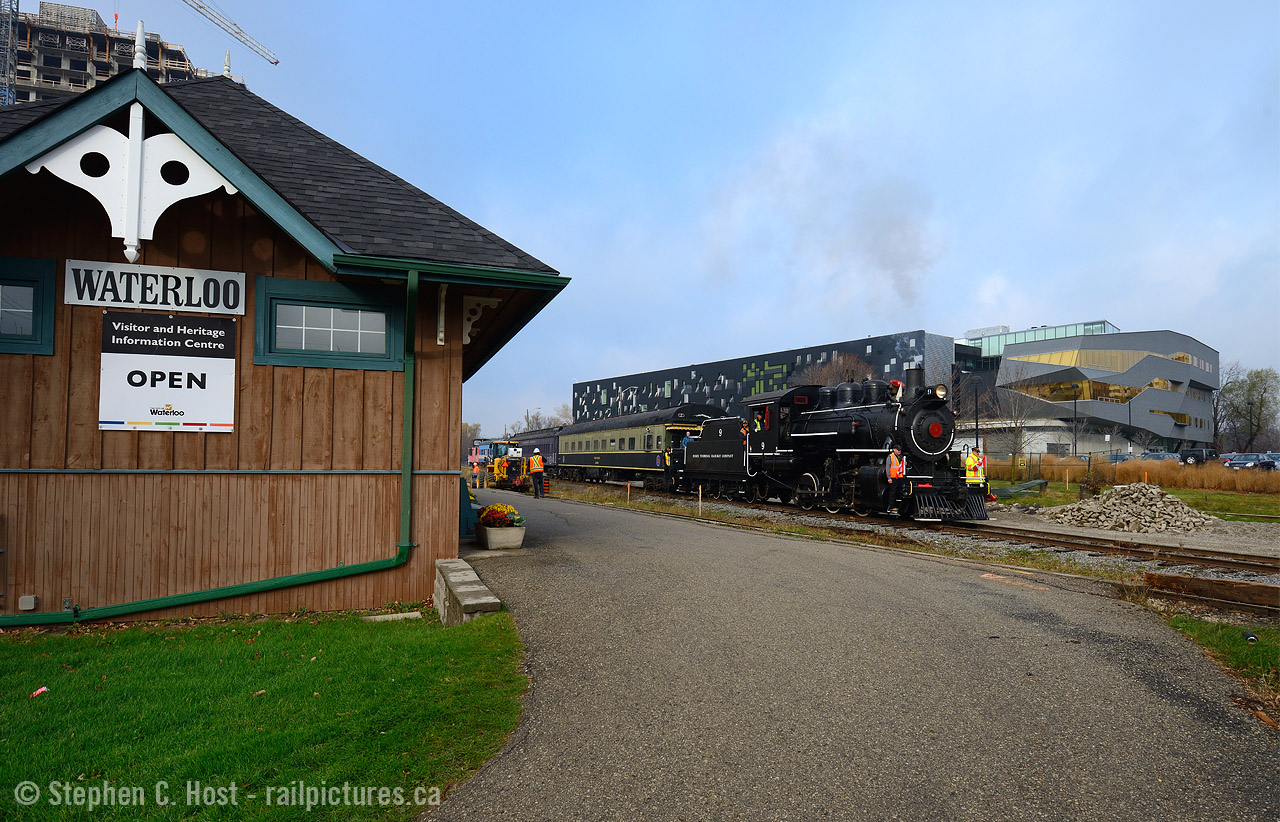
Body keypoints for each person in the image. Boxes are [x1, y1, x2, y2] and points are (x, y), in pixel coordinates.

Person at [885, 443, 906, 508]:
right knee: (893, 492)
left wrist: (905, 464)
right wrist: (889, 477)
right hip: (893, 477)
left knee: (900, 491)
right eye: (898, 450)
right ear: (894, 450)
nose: (899, 451)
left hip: (900, 477)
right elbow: (887, 467)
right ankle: (891, 506)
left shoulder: (901, 457)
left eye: (900, 450)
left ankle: (900, 506)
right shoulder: (890, 457)